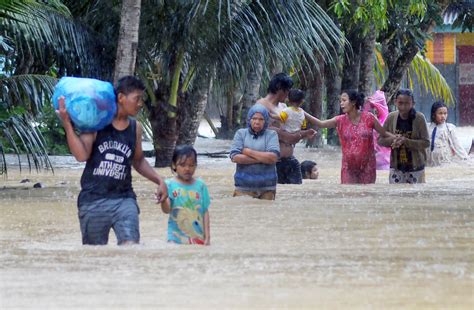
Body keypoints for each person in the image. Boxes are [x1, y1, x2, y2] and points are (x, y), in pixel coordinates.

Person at [57, 76, 168, 245]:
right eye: (137, 98)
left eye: (141, 99)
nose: (140, 104)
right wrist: (67, 124)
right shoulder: (96, 121)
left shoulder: (135, 128)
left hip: (124, 199)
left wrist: (159, 180)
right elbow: (81, 156)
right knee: (95, 255)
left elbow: (138, 161)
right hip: (93, 200)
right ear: (121, 97)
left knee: (131, 248)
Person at [306, 90, 393, 184]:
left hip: (367, 167)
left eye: (344, 100)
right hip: (348, 167)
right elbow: (321, 123)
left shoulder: (369, 118)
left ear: (353, 102)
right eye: (340, 101)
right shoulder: (339, 120)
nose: (341, 104)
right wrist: (303, 113)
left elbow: (384, 133)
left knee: (366, 195)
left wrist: (397, 138)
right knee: (348, 194)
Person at [257, 73, 316, 184]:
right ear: (280, 87)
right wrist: (290, 136)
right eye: (288, 89)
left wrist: (303, 134)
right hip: (272, 161)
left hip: (290, 159)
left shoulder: (284, 107)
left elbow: (293, 131)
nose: (289, 93)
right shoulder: (261, 105)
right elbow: (259, 131)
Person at [160, 145, 210, 245]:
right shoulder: (169, 185)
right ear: (174, 165)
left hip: (197, 236)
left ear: (196, 165)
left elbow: (205, 213)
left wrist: (207, 237)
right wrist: (163, 199)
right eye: (182, 165)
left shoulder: (201, 186)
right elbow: (167, 210)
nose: (187, 169)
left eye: (191, 165)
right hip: (175, 236)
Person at [377, 89, 430, 184]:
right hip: (396, 167)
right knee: (395, 196)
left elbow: (426, 143)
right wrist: (393, 140)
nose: (403, 107)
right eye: (400, 103)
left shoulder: (419, 118)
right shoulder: (391, 117)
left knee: (416, 196)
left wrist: (406, 141)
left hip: (416, 167)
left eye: (407, 103)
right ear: (395, 102)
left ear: (413, 103)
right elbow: (380, 140)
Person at [229, 104, 280, 200]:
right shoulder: (241, 134)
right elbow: (235, 157)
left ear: (266, 121)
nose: (257, 122)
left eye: (261, 119)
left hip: (267, 188)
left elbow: (273, 157)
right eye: (254, 118)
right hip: (243, 187)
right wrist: (262, 158)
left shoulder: (272, 135)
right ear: (249, 120)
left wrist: (248, 151)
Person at [427, 101, 469, 166]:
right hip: (430, 163)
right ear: (433, 114)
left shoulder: (449, 128)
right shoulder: (428, 127)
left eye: (445, 113)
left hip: (445, 162)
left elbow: (457, 145)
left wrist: (465, 158)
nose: (443, 116)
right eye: (440, 113)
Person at [363, 90, 391, 170]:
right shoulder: (373, 121)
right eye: (372, 107)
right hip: (375, 159)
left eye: (375, 107)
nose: (374, 110)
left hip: (384, 160)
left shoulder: (385, 121)